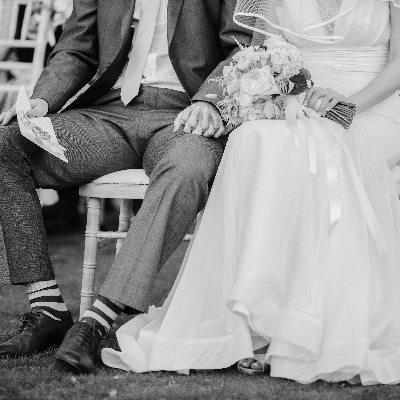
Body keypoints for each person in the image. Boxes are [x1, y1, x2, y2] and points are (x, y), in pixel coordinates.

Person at [100, 0, 400, 386]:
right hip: (303, 103)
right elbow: (267, 52)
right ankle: (257, 320)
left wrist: (350, 104)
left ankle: (326, 327)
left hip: (374, 104)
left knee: (327, 147)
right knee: (253, 139)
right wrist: (280, 94)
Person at [0, 0, 251, 374]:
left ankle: (97, 320)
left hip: (184, 112)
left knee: (188, 167)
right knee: (7, 146)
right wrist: (41, 100)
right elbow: (77, 47)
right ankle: (46, 307)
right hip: (108, 113)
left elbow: (242, 45)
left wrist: (211, 101)